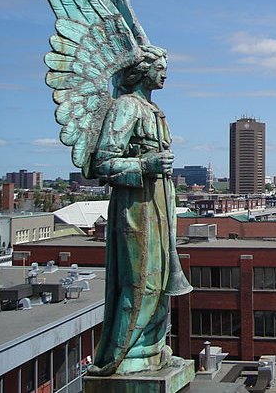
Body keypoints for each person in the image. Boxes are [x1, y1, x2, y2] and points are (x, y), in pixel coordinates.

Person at [88, 45, 180, 376]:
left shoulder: (152, 109)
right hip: (137, 205)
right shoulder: (127, 107)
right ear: (142, 70)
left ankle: (151, 349)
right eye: (161, 65)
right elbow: (102, 162)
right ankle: (120, 356)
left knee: (162, 278)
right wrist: (146, 163)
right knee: (141, 280)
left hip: (159, 201)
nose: (166, 71)